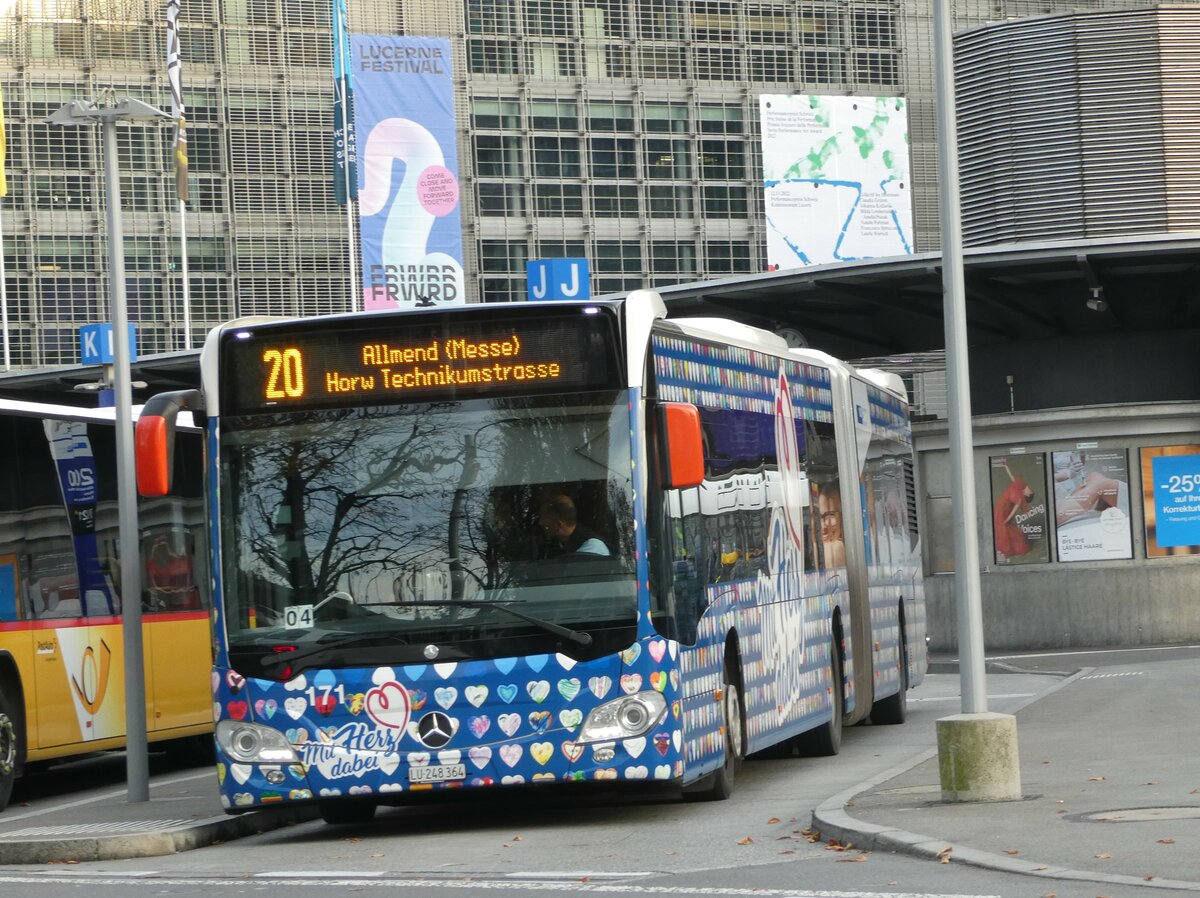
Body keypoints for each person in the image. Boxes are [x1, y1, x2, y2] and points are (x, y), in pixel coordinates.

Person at [538, 494, 610, 557]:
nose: (540, 523)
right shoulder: (554, 545)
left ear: (558, 524)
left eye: (544, 519)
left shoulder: (593, 547)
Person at [993, 459, 1035, 559]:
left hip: (1006, 509)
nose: (1029, 489)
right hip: (1001, 503)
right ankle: (1002, 546)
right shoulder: (1020, 484)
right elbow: (1011, 476)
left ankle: (1006, 547)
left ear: (1027, 494)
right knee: (998, 525)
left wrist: (1007, 519)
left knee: (1002, 525)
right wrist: (1006, 466)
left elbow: (1014, 510)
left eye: (1030, 491)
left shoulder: (1020, 497)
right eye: (1030, 490)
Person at [816, 482, 846, 568]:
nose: (823, 527)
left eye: (829, 516)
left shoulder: (837, 547)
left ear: (841, 516)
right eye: (819, 518)